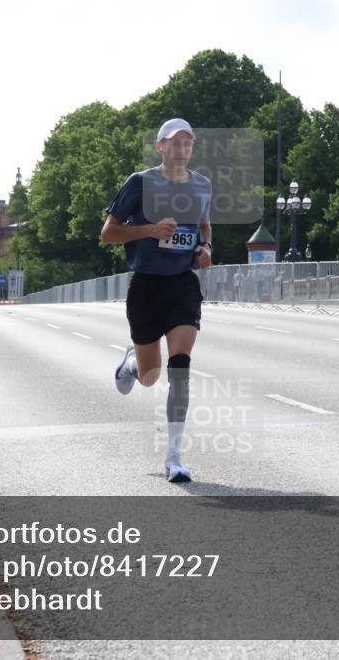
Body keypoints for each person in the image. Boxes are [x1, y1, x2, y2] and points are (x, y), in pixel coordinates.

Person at [101, 118, 213, 483]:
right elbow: (108, 233)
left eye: (188, 144)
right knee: (151, 377)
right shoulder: (140, 183)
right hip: (146, 284)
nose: (182, 150)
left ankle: (175, 456)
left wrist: (206, 247)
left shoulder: (202, 185)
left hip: (182, 283)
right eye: (175, 143)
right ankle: (133, 362)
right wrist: (149, 229)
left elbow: (204, 225)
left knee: (179, 368)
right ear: (161, 147)